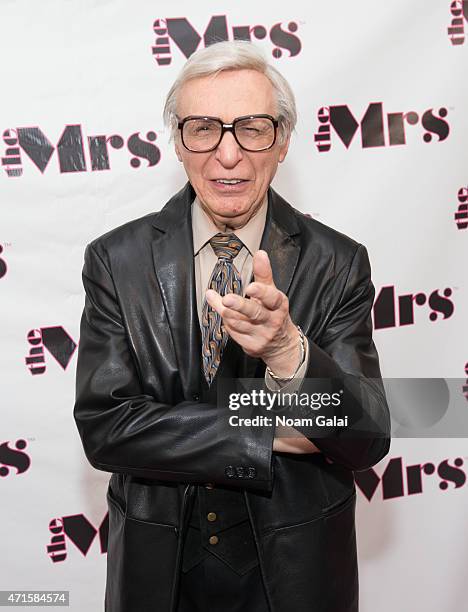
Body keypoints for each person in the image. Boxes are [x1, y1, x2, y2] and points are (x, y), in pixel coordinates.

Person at [74, 40, 391, 612]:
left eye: (251, 127)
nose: (228, 155)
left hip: (296, 574)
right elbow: (107, 427)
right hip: (158, 572)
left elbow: (364, 437)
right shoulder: (114, 261)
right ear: (178, 141)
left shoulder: (339, 262)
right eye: (203, 128)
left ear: (284, 140)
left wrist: (288, 352)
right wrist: (269, 432)